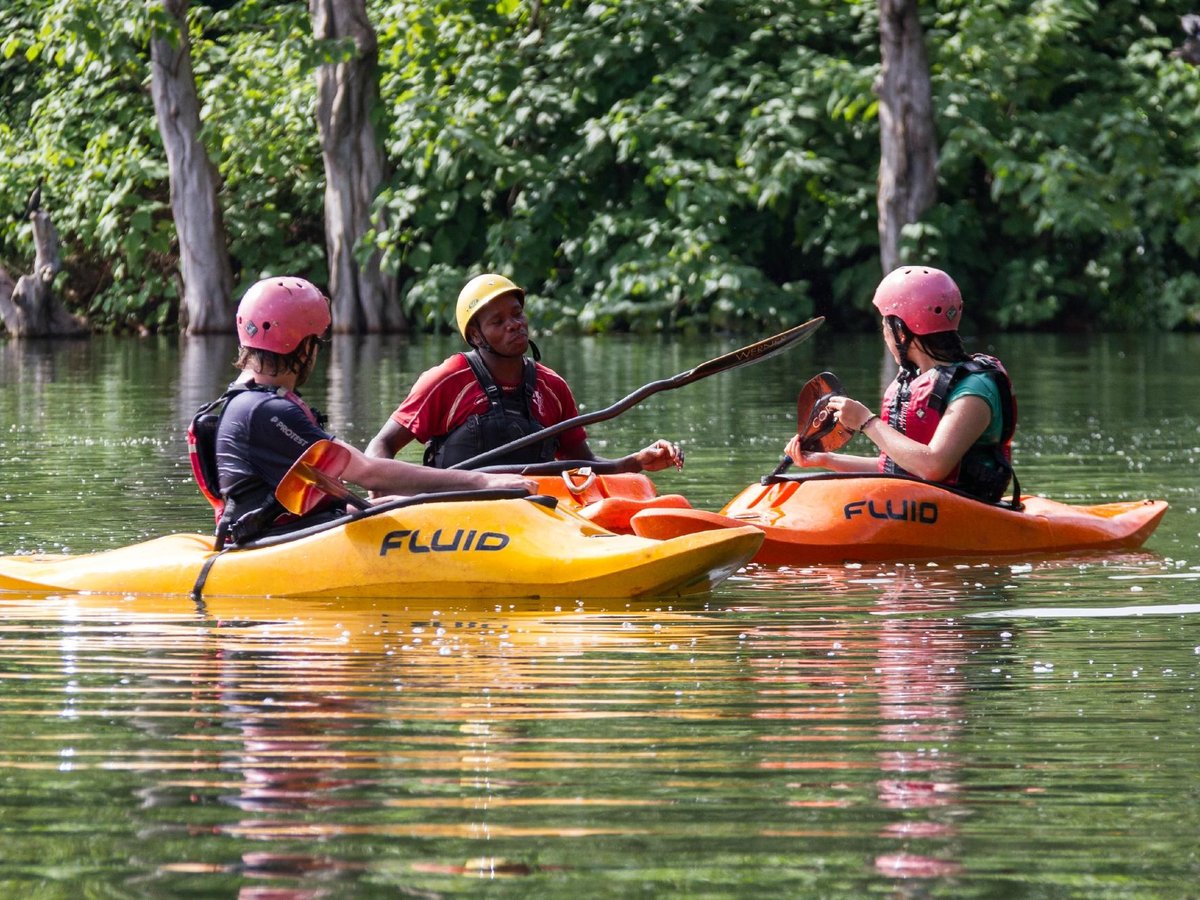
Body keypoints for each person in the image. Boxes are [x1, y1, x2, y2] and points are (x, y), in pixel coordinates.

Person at [189, 276, 534, 546]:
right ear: (302, 343)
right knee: (417, 507)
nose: (316, 353)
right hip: (277, 541)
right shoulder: (266, 410)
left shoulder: (248, 401)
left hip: (290, 528)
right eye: (317, 342)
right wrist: (482, 482)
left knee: (405, 502)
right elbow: (365, 471)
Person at [365, 273, 684, 472]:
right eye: (497, 321)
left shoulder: (552, 386)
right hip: (457, 516)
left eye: (517, 314)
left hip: (533, 517)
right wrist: (382, 491)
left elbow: (582, 465)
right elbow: (380, 448)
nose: (514, 324)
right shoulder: (447, 379)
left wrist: (635, 462)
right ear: (476, 336)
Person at [784, 265, 1017, 503]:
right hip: (921, 510)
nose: (884, 334)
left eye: (885, 325)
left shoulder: (974, 390)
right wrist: (827, 461)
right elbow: (898, 468)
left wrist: (866, 422)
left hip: (969, 513)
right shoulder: (914, 381)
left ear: (901, 332)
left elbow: (932, 466)